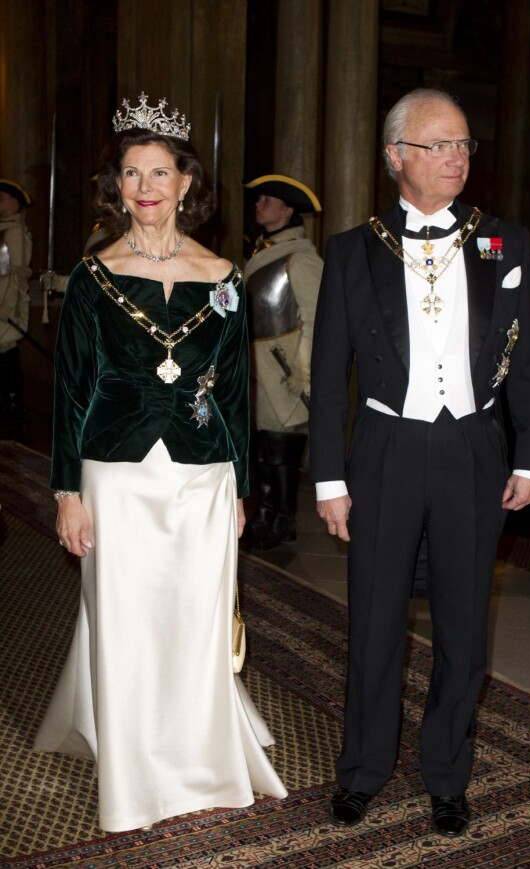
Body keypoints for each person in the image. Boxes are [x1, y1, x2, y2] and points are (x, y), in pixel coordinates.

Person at [34, 93, 287, 832]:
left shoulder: (225, 276)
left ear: (185, 184)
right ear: (117, 188)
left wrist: (239, 481)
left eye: (159, 173)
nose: (144, 187)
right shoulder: (93, 277)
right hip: (115, 475)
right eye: (130, 174)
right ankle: (136, 769)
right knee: (127, 617)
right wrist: (66, 490)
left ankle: (201, 755)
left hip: (202, 474)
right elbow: (70, 390)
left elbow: (237, 392)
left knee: (195, 616)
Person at [309, 88, 530, 837]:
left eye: (464, 146)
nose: (457, 159)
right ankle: (363, 770)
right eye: (439, 145)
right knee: (376, 619)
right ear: (395, 157)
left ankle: (448, 774)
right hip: (384, 449)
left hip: (473, 449)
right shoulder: (352, 251)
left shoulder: (504, 243)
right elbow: (326, 377)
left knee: (462, 627)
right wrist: (329, 477)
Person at [242, 174, 323, 550]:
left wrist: (303, 373)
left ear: (287, 210)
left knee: (280, 449)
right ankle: (265, 515)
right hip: (258, 363)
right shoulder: (263, 250)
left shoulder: (301, 257)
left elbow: (314, 317)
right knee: (263, 447)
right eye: (258, 200)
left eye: (267, 200)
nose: (259, 205)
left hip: (283, 367)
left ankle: (281, 520)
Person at [0, 179, 32, 426]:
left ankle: (13, 408)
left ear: (13, 202)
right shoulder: (4, 229)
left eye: (2, 198)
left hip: (6, 305)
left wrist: (8, 306)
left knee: (7, 354)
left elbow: (17, 275)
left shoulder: (15, 232)